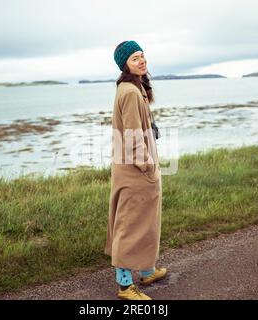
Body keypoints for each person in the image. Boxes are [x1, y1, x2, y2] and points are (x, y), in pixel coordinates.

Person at [104, 40, 167, 300]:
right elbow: (131, 136)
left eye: (142, 55)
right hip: (135, 170)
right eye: (134, 58)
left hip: (137, 168)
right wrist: (147, 166)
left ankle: (147, 270)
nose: (141, 61)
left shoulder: (134, 88)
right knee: (130, 225)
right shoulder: (129, 92)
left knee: (146, 222)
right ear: (125, 65)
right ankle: (124, 285)